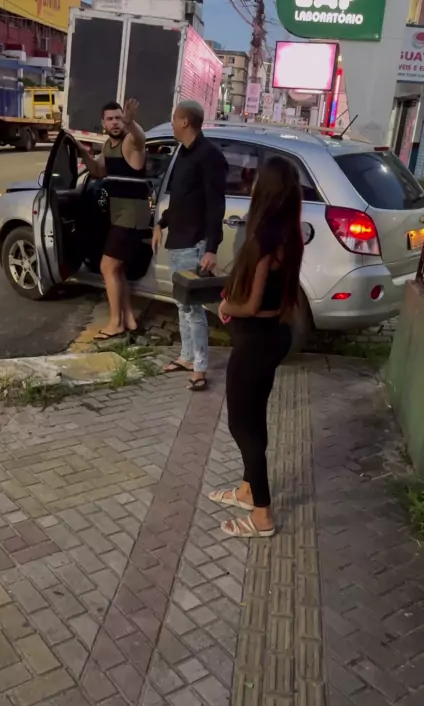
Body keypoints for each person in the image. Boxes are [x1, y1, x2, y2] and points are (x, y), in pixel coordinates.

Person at [209, 155, 304, 538]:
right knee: (254, 416)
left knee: (240, 424)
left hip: (255, 342)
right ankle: (248, 490)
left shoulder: (264, 239)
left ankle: (262, 515)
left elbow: (249, 305)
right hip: (274, 337)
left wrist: (225, 307)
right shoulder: (290, 235)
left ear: (264, 189)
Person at [152, 100, 228, 391]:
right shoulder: (183, 153)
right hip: (178, 238)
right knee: (182, 304)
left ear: (185, 121)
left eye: (174, 118)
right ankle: (186, 356)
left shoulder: (208, 156)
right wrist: (161, 223)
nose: (172, 123)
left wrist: (211, 248)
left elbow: (215, 204)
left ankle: (200, 367)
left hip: (194, 241)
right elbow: (181, 199)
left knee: (193, 308)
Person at [75, 100, 149, 340]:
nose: (115, 123)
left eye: (118, 118)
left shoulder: (129, 141)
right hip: (118, 213)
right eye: (111, 119)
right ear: (103, 123)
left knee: (107, 266)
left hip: (132, 214)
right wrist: (82, 152)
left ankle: (115, 323)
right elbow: (98, 171)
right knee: (117, 269)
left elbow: (141, 140)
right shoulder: (108, 145)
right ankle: (128, 320)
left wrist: (131, 123)